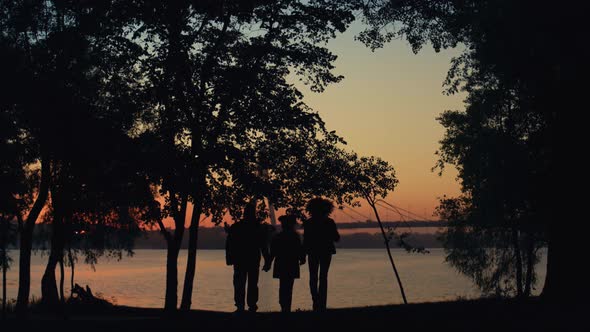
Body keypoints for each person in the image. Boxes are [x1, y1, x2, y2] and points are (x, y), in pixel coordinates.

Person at [225, 202, 270, 313]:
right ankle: (252, 306)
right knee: (252, 284)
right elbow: (263, 245)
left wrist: (229, 258)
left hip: (240, 260)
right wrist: (267, 260)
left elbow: (230, 244)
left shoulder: (237, 227)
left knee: (239, 283)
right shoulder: (258, 228)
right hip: (253, 259)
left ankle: (240, 306)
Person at [303, 197, 340, 311]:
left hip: (312, 251)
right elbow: (336, 238)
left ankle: (315, 301)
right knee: (323, 277)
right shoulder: (329, 222)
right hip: (326, 251)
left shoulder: (308, 223)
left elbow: (306, 240)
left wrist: (303, 255)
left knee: (313, 276)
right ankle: (322, 303)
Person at [263, 214, 306, 313]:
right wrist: (302, 258)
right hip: (292, 263)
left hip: (281, 263)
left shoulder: (277, 236)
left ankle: (283, 306)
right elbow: (299, 249)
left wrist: (268, 264)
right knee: (289, 286)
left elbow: (273, 252)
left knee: (282, 286)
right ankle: (287, 308)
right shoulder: (295, 236)